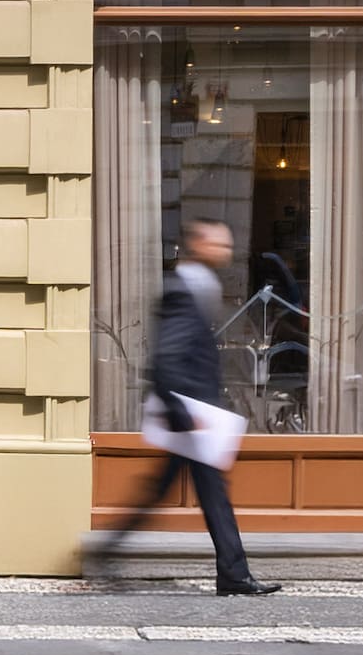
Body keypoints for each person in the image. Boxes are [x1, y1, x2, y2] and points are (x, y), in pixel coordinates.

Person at [105, 217, 281, 598]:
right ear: (198, 245)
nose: (226, 251)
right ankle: (233, 574)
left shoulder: (199, 286)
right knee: (209, 492)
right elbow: (167, 357)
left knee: (166, 491)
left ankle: (107, 551)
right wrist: (187, 414)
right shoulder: (182, 289)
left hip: (191, 412)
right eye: (219, 244)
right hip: (190, 414)